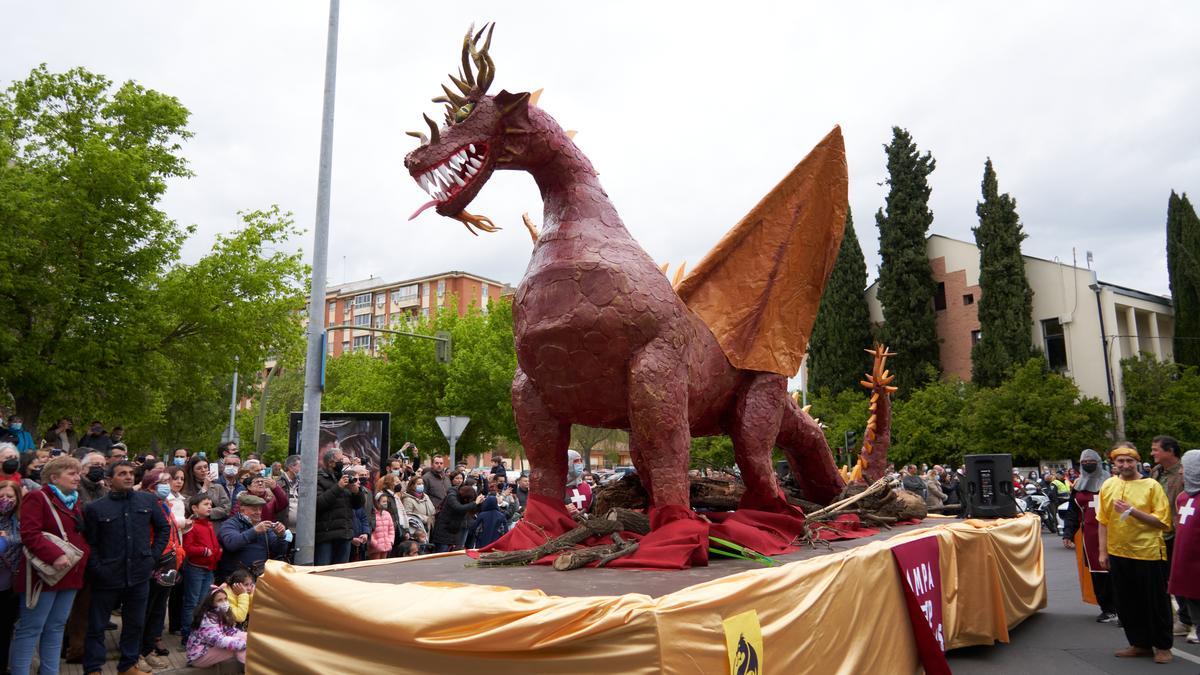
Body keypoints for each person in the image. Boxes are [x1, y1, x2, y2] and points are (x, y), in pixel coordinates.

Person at [83, 460, 170, 675]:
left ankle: (129, 665)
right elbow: (90, 543)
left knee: (134, 624)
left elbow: (163, 528)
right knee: (96, 626)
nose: (129, 477)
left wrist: (152, 557)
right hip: (107, 576)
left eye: (131, 473)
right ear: (110, 479)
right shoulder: (95, 508)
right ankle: (93, 668)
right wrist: (97, 568)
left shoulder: (147, 500)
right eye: (122, 473)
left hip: (139, 574)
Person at [11, 456, 91, 675]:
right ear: (54, 477)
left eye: (77, 473)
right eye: (71, 473)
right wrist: (54, 555)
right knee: (31, 629)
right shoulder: (38, 497)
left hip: (70, 573)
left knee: (56, 627)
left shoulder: (73, 500)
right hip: (43, 574)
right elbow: (29, 534)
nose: (77, 477)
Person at [1098, 444, 1173, 664]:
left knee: (1155, 602)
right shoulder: (1109, 485)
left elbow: (1163, 522)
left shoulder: (1152, 486)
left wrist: (1133, 512)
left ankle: (1162, 646)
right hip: (1119, 552)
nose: (1125, 465)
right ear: (1114, 463)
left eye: (1129, 461)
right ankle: (1139, 644)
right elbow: (1103, 521)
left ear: (1137, 461)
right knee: (1127, 602)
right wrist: (1103, 552)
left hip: (1148, 552)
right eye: (1120, 461)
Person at [1061, 449, 1118, 622]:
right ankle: (1107, 608)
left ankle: (1123, 609)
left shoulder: (1112, 482)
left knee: (1115, 571)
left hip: (1113, 532)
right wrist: (1068, 533)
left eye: (1090, 460)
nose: (1087, 463)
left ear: (1098, 462)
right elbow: (1072, 511)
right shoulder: (1078, 484)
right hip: (1089, 536)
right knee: (1097, 573)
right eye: (1083, 461)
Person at [139, 470, 185, 670]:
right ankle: (137, 653)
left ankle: (148, 650)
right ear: (151, 486)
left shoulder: (165, 505)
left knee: (158, 609)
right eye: (164, 482)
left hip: (169, 564)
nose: (169, 484)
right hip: (153, 564)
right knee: (145, 610)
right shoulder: (144, 506)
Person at [1150, 435, 1191, 636]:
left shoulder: (1185, 472)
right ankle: (1182, 618)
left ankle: (1188, 620)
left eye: (1156, 449)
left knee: (1184, 577)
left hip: (1180, 531)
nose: (1152, 453)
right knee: (1168, 579)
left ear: (1170, 451)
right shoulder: (1156, 472)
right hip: (1159, 532)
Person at [218, 493, 288, 582]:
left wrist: (281, 536)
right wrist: (254, 531)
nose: (258, 512)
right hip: (237, 577)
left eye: (260, 509)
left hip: (260, 574)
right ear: (242, 510)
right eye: (254, 509)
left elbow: (280, 551)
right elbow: (232, 544)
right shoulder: (230, 524)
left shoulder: (263, 525)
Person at [1169, 449, 1200, 646]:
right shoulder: (1182, 497)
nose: (1181, 472)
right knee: (1186, 592)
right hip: (1184, 555)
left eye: (1183, 467)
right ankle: (1189, 622)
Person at [180, 494, 220, 643]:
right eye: (205, 504)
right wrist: (204, 551)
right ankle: (187, 635)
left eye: (210, 504)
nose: (209, 506)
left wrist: (217, 552)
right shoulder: (192, 525)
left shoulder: (208, 524)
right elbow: (188, 547)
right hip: (196, 569)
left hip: (208, 568)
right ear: (194, 508)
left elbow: (213, 543)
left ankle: (199, 633)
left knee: (202, 602)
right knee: (192, 602)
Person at [314, 449, 365, 566]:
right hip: (326, 535)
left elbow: (358, 505)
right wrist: (338, 487)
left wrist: (356, 491)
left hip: (345, 533)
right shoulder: (319, 478)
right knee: (324, 571)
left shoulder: (344, 477)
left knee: (341, 573)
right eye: (341, 460)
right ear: (331, 462)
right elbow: (319, 503)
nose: (343, 463)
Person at [185, 586, 247, 667]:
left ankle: (248, 666)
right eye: (219, 600)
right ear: (211, 602)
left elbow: (230, 631)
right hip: (198, 657)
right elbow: (218, 640)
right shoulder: (207, 619)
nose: (224, 602)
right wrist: (243, 643)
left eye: (225, 599)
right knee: (236, 647)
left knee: (247, 638)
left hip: (209, 649)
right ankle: (249, 668)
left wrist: (247, 637)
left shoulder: (219, 613)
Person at [0, 479, 24, 670]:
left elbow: (25, 539)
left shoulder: (20, 520)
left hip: (10, 583)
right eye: (1, 496)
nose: (5, 500)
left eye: (10, 496)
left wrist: (7, 539)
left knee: (5, 628)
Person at [431, 485, 483, 553]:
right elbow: (459, 508)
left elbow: (473, 509)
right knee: (441, 553)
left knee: (448, 554)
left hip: (453, 530)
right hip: (443, 529)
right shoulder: (452, 496)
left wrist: (479, 503)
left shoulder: (463, 499)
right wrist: (475, 503)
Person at [181, 455, 231, 523]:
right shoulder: (185, 488)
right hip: (196, 525)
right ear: (192, 471)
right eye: (199, 468)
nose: (203, 470)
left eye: (205, 467)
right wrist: (204, 488)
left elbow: (226, 509)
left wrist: (207, 512)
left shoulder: (218, 487)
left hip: (216, 525)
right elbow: (189, 507)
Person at [369, 492, 396, 560]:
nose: (385, 503)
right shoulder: (372, 515)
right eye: (383, 501)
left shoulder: (387, 514)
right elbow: (370, 530)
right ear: (377, 502)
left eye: (386, 501)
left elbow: (391, 529)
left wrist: (390, 541)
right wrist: (375, 544)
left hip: (386, 545)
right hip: (375, 548)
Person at [565, 450, 592, 516]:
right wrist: (563, 509)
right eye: (576, 461)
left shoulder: (587, 488)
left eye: (581, 461)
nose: (579, 463)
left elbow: (595, 513)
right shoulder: (555, 490)